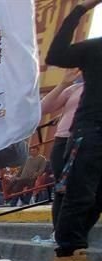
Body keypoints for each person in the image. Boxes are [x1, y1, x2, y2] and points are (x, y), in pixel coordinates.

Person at [46, 0, 102, 261]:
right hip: (90, 131)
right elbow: (55, 55)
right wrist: (79, 10)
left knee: (97, 196)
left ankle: (75, 250)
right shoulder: (95, 48)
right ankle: (66, 254)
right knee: (78, 193)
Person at [41, 69, 84, 229]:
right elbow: (43, 108)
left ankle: (73, 233)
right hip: (63, 140)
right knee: (62, 187)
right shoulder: (74, 89)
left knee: (82, 188)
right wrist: (63, 83)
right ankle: (59, 232)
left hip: (90, 141)